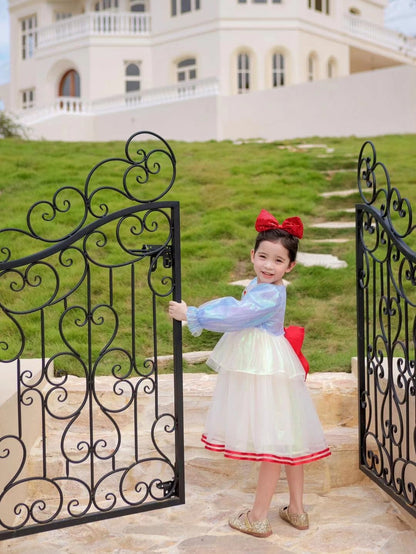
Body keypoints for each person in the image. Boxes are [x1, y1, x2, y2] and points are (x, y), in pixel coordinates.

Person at [168, 209, 330, 539]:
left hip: (265, 368)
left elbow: (236, 314)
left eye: (278, 261)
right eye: (263, 256)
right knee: (287, 434)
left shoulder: (268, 293)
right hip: (269, 363)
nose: (268, 265)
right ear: (252, 256)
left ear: (290, 266)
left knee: (274, 437)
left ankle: (258, 517)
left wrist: (193, 314)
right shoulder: (264, 285)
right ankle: (296, 509)